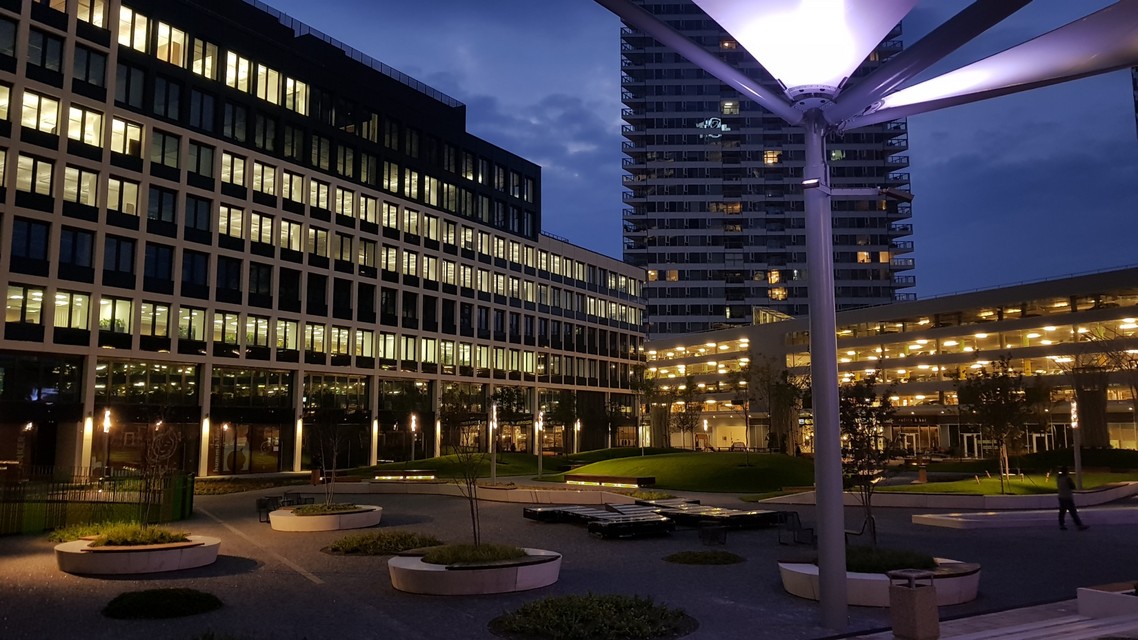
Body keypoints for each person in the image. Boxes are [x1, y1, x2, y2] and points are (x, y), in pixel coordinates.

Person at [1056, 466, 1089, 531]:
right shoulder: (1067, 479)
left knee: (1062, 512)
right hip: (1067, 497)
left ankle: (1062, 524)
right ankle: (1079, 525)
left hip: (1061, 496)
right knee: (1073, 512)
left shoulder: (1059, 478)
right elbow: (1073, 486)